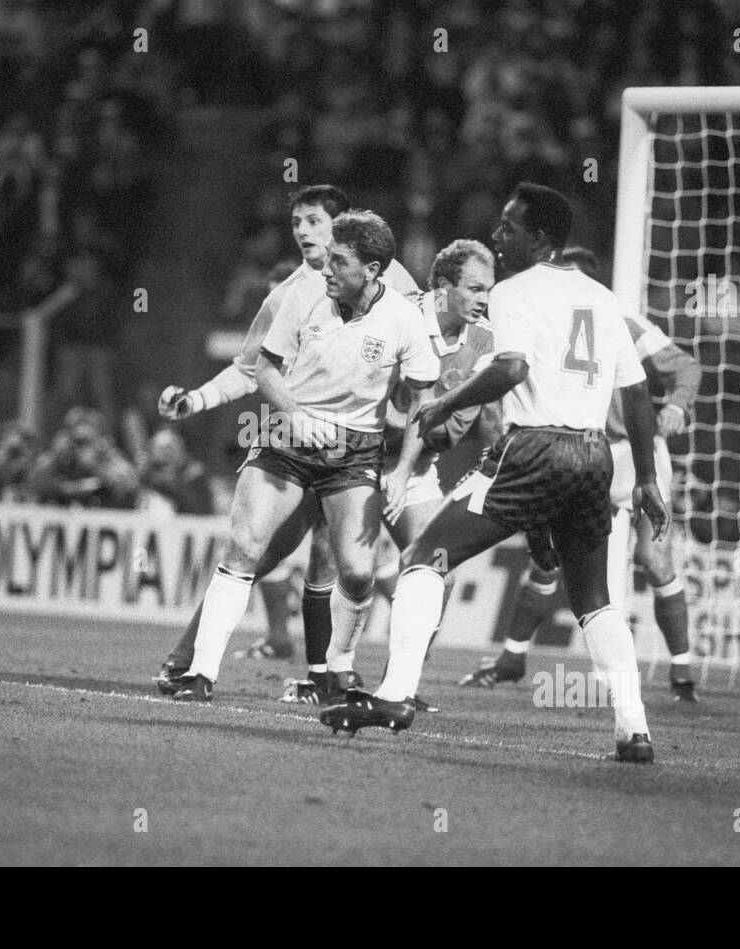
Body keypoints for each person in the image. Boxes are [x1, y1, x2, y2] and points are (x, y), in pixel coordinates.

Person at [320, 185, 668, 763]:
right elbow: (636, 395)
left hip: (533, 448)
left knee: (421, 559)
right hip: (592, 455)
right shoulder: (603, 299)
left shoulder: (512, 293)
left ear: (540, 238)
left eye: (509, 226)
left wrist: (443, 402)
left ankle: (396, 694)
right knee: (594, 599)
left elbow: (511, 368)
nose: (499, 236)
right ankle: (634, 731)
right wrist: (649, 478)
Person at [154, 185, 422, 692]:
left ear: (346, 230)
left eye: (314, 221)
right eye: (297, 221)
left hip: (361, 446)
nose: (302, 231)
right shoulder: (290, 294)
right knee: (258, 551)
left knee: (352, 567)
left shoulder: (393, 283)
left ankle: (335, 674)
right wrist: (196, 401)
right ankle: (193, 660)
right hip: (294, 436)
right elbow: (251, 368)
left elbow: (420, 355)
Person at [460, 245, 703, 701]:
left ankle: (683, 671)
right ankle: (513, 657)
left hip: (634, 453)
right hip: (581, 451)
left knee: (653, 558)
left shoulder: (623, 320)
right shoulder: (537, 320)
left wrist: (675, 405)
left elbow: (685, 366)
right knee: (549, 554)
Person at [285, 238, 499, 710]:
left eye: (490, 289)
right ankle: (324, 673)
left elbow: (453, 422)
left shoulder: (483, 339)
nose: (484, 299)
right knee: (326, 559)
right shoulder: (398, 313)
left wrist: (418, 444)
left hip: (413, 464)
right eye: (475, 288)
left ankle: (398, 682)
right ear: (442, 288)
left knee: (436, 567)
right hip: (352, 455)